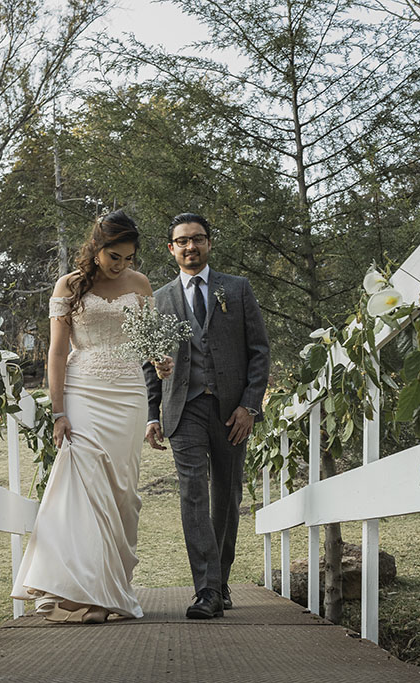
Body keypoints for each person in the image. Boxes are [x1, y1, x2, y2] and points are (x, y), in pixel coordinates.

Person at [11, 210, 173, 624]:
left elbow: (149, 338)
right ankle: (81, 589)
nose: (122, 265)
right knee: (83, 480)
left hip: (128, 392)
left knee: (122, 491)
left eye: (129, 258)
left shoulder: (139, 284)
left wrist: (160, 360)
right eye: (115, 256)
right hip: (83, 389)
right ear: (97, 248)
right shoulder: (69, 285)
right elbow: (58, 352)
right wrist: (59, 411)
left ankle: (109, 591)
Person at [144, 213, 270, 619]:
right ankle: (206, 591)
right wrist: (152, 414)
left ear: (209, 244)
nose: (190, 247)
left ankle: (220, 580)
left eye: (197, 239)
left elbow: (259, 352)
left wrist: (250, 406)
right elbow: (151, 364)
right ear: (171, 249)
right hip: (184, 409)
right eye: (182, 241)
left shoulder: (237, 288)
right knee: (193, 493)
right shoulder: (159, 299)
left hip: (232, 410)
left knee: (227, 496)